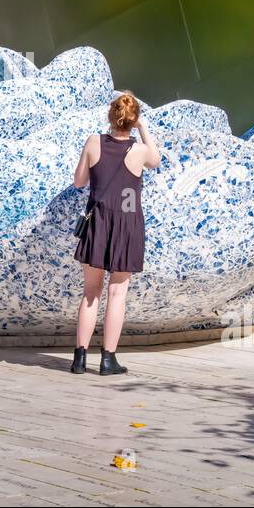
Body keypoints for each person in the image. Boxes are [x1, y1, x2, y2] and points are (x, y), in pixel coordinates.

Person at [69, 91, 160, 375]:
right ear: (133, 121)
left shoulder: (93, 142)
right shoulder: (140, 151)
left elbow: (79, 181)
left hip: (97, 220)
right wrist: (142, 128)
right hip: (127, 223)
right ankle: (108, 359)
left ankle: (79, 358)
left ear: (111, 116)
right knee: (117, 292)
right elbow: (156, 160)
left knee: (90, 293)